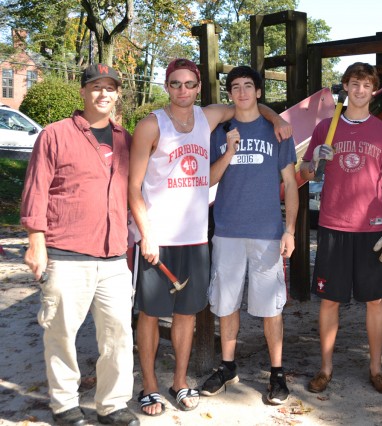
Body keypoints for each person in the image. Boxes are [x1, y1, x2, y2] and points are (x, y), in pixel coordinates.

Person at [128, 59, 291, 415]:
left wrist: (275, 118)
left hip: (195, 236)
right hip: (159, 236)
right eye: (175, 84)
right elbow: (133, 188)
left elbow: (248, 103)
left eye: (189, 84)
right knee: (151, 314)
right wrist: (146, 233)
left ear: (198, 87)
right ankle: (150, 386)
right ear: (166, 86)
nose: (182, 90)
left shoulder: (208, 117)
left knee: (187, 313)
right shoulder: (150, 125)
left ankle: (179, 381)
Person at [21, 64, 139, 426]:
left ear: (118, 94)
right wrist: (35, 242)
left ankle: (113, 404)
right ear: (83, 92)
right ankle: (64, 404)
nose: (103, 93)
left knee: (119, 334)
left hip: (114, 257)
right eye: (96, 87)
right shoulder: (55, 135)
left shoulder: (127, 140)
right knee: (61, 334)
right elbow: (36, 190)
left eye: (110, 88)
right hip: (65, 254)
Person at [299, 62, 382, 394]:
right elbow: (305, 175)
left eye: (366, 85)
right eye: (354, 84)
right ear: (345, 86)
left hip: (373, 229)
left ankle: (376, 369)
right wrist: (314, 156)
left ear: (374, 91)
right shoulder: (326, 128)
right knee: (329, 301)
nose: (360, 90)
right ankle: (325, 369)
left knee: (376, 301)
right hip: (333, 227)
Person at [199, 65, 298, 405]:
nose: (241, 92)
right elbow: (209, 180)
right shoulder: (219, 131)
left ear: (258, 92)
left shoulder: (279, 132)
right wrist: (228, 152)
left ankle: (277, 373)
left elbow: (290, 183)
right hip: (227, 231)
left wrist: (290, 230)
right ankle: (227, 367)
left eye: (248, 86)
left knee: (271, 307)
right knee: (225, 304)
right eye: (235, 87)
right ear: (230, 93)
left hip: (268, 234)